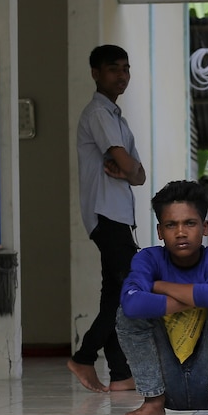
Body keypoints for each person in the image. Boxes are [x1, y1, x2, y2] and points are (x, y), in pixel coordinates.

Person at [116, 180, 208, 415]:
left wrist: (157, 286)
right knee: (126, 314)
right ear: (160, 231)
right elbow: (132, 304)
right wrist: (200, 295)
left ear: (205, 227)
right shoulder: (148, 258)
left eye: (190, 223)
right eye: (171, 225)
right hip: (165, 384)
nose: (180, 232)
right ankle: (152, 403)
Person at [68, 45, 146, 393]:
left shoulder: (118, 118)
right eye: (113, 69)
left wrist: (128, 170)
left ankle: (120, 374)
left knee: (114, 295)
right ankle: (84, 357)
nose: (122, 75)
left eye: (126, 68)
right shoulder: (99, 113)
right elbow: (129, 165)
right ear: (96, 74)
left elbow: (139, 175)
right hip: (106, 215)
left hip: (118, 217)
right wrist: (127, 168)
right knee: (127, 292)